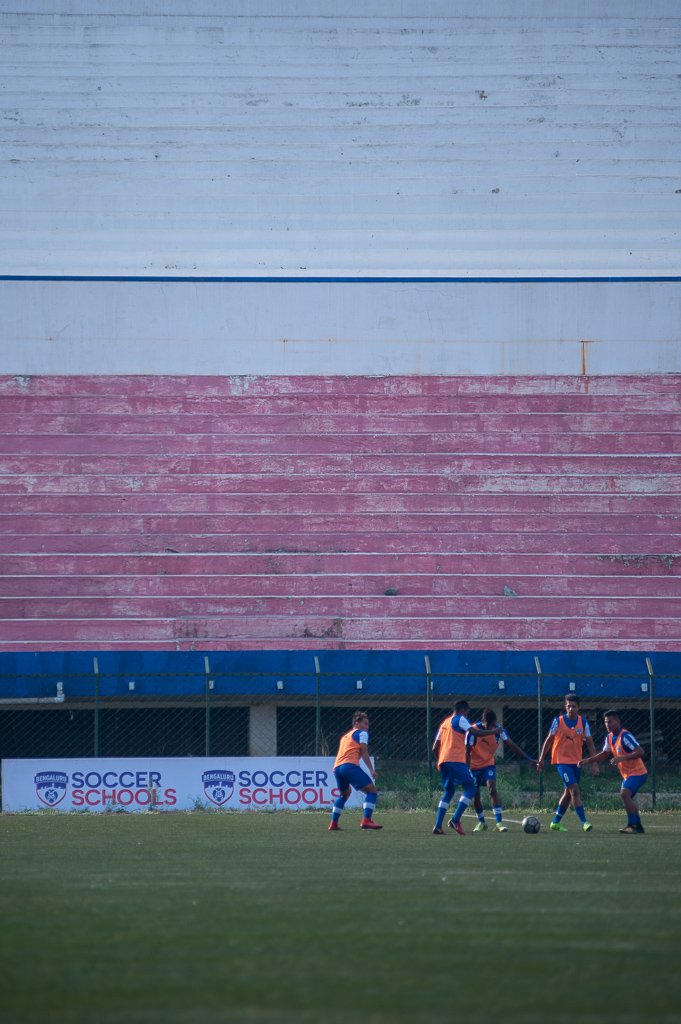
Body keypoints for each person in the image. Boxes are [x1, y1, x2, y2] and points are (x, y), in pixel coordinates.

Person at [432, 700, 502, 835]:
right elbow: (474, 732)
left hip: (444, 761)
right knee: (471, 788)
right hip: (456, 760)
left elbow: (435, 747)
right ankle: (455, 820)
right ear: (463, 711)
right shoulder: (460, 719)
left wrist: (442, 760)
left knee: (448, 793)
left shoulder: (444, 723)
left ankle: (438, 826)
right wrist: (493, 732)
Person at [465, 707, 537, 832]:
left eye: (494, 725)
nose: (492, 727)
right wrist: (466, 770)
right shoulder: (473, 731)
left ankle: (499, 823)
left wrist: (528, 758)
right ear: (483, 722)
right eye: (489, 725)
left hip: (488, 764)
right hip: (473, 767)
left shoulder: (499, 731)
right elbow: (466, 751)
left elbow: (512, 745)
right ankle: (482, 822)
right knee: (475, 794)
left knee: (492, 789)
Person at [537, 693, 599, 832]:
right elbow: (549, 740)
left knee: (568, 792)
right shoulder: (558, 721)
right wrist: (541, 759)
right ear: (565, 707)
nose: (571, 709)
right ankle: (584, 822)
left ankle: (555, 823)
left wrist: (595, 764)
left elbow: (590, 743)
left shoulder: (583, 723)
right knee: (574, 790)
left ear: (579, 707)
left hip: (577, 763)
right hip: (561, 762)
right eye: (568, 706)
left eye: (574, 706)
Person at [578, 710, 647, 834]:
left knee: (625, 794)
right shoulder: (609, 737)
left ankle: (632, 825)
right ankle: (638, 825)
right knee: (627, 797)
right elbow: (605, 754)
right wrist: (588, 760)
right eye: (605, 722)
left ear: (618, 722)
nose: (607, 725)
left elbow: (640, 751)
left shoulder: (625, 736)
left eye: (610, 722)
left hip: (638, 772)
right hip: (628, 774)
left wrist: (622, 758)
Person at [328, 710, 382, 831]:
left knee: (344, 794)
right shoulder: (361, 733)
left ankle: (333, 824)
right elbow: (364, 752)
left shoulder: (345, 737)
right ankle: (366, 821)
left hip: (337, 768)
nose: (367, 727)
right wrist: (372, 770)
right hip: (349, 766)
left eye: (368, 725)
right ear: (357, 724)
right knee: (372, 791)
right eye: (365, 724)